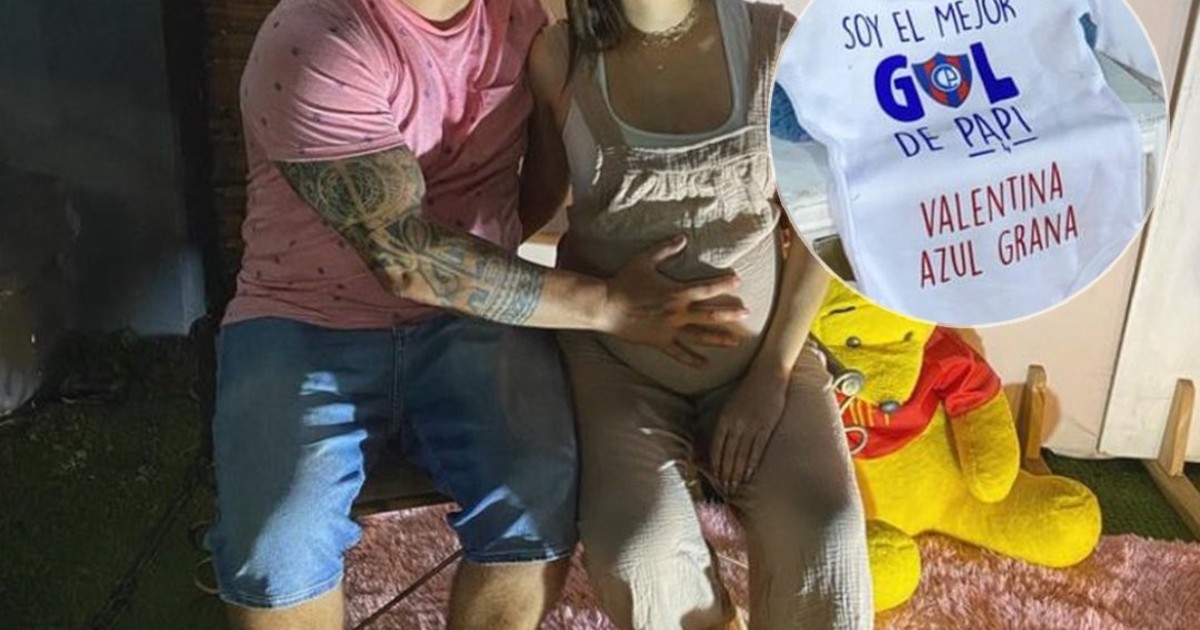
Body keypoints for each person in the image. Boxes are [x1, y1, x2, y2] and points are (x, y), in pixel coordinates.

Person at [209, 0, 751, 628]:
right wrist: (609, 305)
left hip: (469, 320)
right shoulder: (317, 38)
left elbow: (537, 188)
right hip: (303, 315)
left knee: (536, 503)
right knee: (279, 544)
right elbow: (405, 259)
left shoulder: (520, 19)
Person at [525, 0, 874, 627]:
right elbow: (529, 199)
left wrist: (771, 376)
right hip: (617, 369)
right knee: (641, 555)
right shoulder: (558, 56)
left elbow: (827, 220)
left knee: (828, 536)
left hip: (764, 358)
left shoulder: (775, 44)